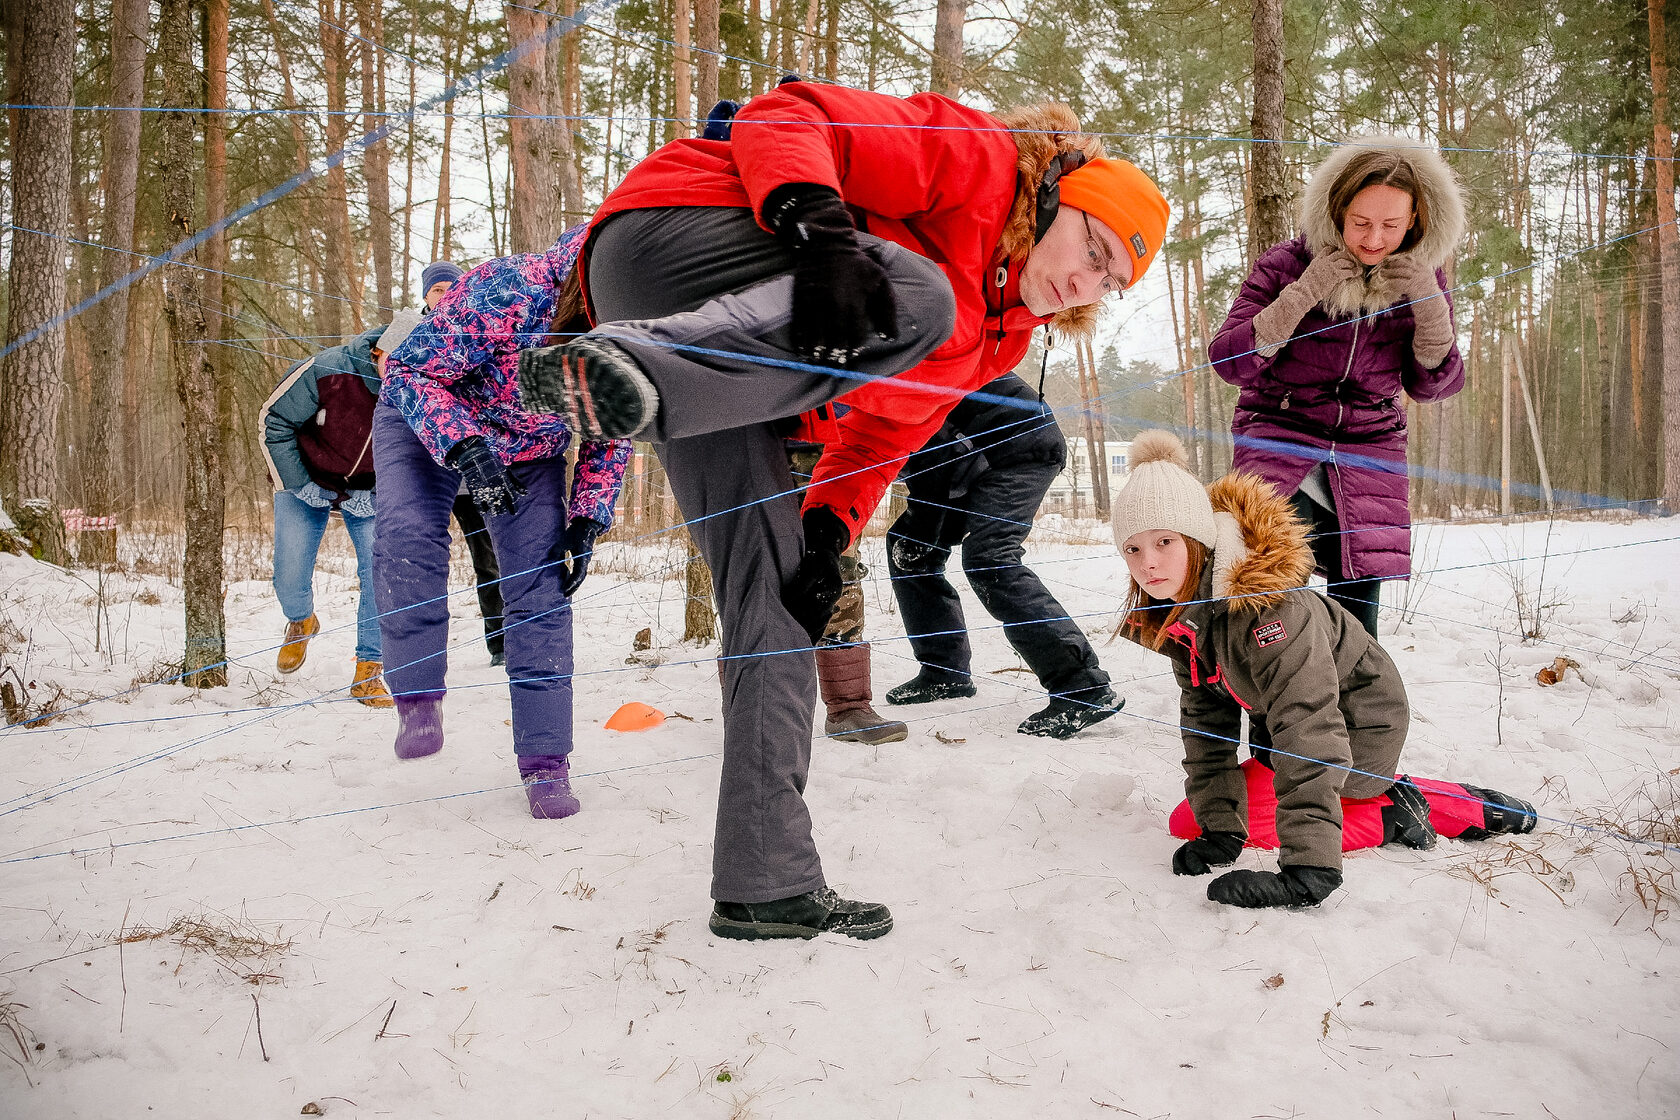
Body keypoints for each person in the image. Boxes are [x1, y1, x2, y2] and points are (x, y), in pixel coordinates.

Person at [516, 83, 1170, 940]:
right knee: (926, 299)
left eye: (1108, 279)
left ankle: (765, 882)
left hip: (712, 376)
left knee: (777, 596)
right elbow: (785, 118)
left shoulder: (1002, 336)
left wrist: (828, 532)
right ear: (1054, 196)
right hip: (686, 234)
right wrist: (820, 234)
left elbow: (888, 427)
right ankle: (640, 363)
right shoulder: (982, 160)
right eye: (1088, 244)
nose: (1085, 278)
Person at [1111, 431, 1536, 910]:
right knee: (1189, 822)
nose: (1148, 563)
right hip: (1290, 740)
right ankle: (1340, 809)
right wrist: (1221, 831)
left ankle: (1404, 808)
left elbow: (1311, 726)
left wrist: (1307, 868)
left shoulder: (1270, 612)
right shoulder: (1189, 618)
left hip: (1355, 735)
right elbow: (1207, 727)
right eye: (1132, 549)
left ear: (1197, 536)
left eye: (1164, 541)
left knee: (1275, 821)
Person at [377, 224, 631, 820]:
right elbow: (412, 373)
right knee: (409, 537)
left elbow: (608, 426)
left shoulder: (626, 330)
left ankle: (546, 764)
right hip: (423, 417)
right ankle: (417, 697)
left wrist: (588, 514)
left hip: (529, 450)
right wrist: (464, 445)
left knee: (540, 588)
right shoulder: (509, 286)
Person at [1208, 135, 1467, 640]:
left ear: (1414, 220)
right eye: (1361, 222)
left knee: (1357, 613)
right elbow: (1230, 361)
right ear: (1336, 209)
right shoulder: (1283, 264)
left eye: (1391, 225)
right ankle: (1278, 701)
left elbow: (1432, 385)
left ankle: (1356, 710)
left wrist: (1430, 305)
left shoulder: (1421, 278)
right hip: (1278, 435)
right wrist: (1304, 291)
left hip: (1369, 446)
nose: (1374, 238)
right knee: (1277, 596)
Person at [885, 372, 1120, 737]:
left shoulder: (882, 371)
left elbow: (935, 454)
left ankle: (1082, 688)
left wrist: (926, 526)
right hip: (975, 454)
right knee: (906, 544)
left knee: (989, 557)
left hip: (1021, 448)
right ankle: (944, 671)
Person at [259, 322, 394, 708]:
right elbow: (274, 421)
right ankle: (301, 620)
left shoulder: (417, 389)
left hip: (369, 489)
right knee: (289, 571)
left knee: (378, 573)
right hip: (307, 476)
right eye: (394, 361)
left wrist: (380, 496)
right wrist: (300, 484)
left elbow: (419, 456)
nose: (402, 372)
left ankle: (369, 670)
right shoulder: (327, 370)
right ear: (377, 353)